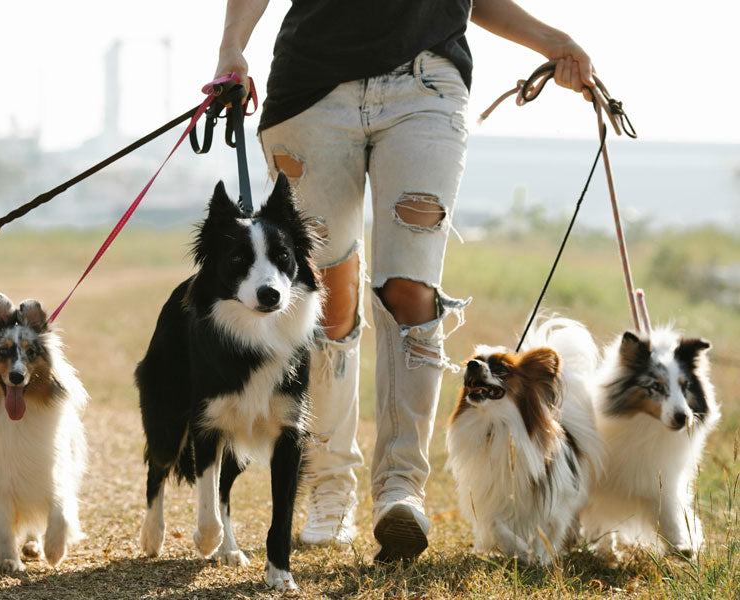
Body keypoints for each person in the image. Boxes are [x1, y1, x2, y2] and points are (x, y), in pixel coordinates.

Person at [214, 0, 596, 561]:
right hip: (312, 89)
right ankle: (328, 485)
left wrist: (552, 40)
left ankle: (400, 487)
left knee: (412, 291)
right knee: (328, 298)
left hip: (428, 87)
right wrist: (233, 47)